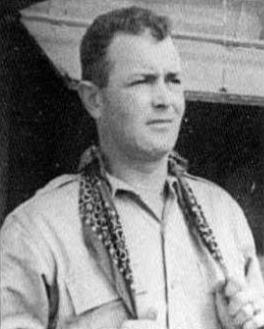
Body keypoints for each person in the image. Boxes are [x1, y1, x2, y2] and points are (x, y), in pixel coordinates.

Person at [1, 6, 264, 329]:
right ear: (94, 99)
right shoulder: (37, 230)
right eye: (143, 81)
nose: (165, 99)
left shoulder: (224, 216)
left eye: (174, 80)